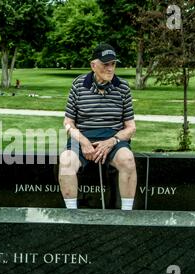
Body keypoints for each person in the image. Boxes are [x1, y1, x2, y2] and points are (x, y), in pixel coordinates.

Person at [58, 43, 137, 210]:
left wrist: (111, 141)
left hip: (113, 138)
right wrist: (83, 141)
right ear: (93, 65)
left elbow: (131, 128)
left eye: (113, 64)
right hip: (82, 137)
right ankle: (72, 215)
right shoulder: (79, 84)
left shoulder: (123, 87)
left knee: (128, 160)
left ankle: (128, 215)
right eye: (105, 64)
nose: (110, 69)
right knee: (66, 161)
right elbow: (68, 122)